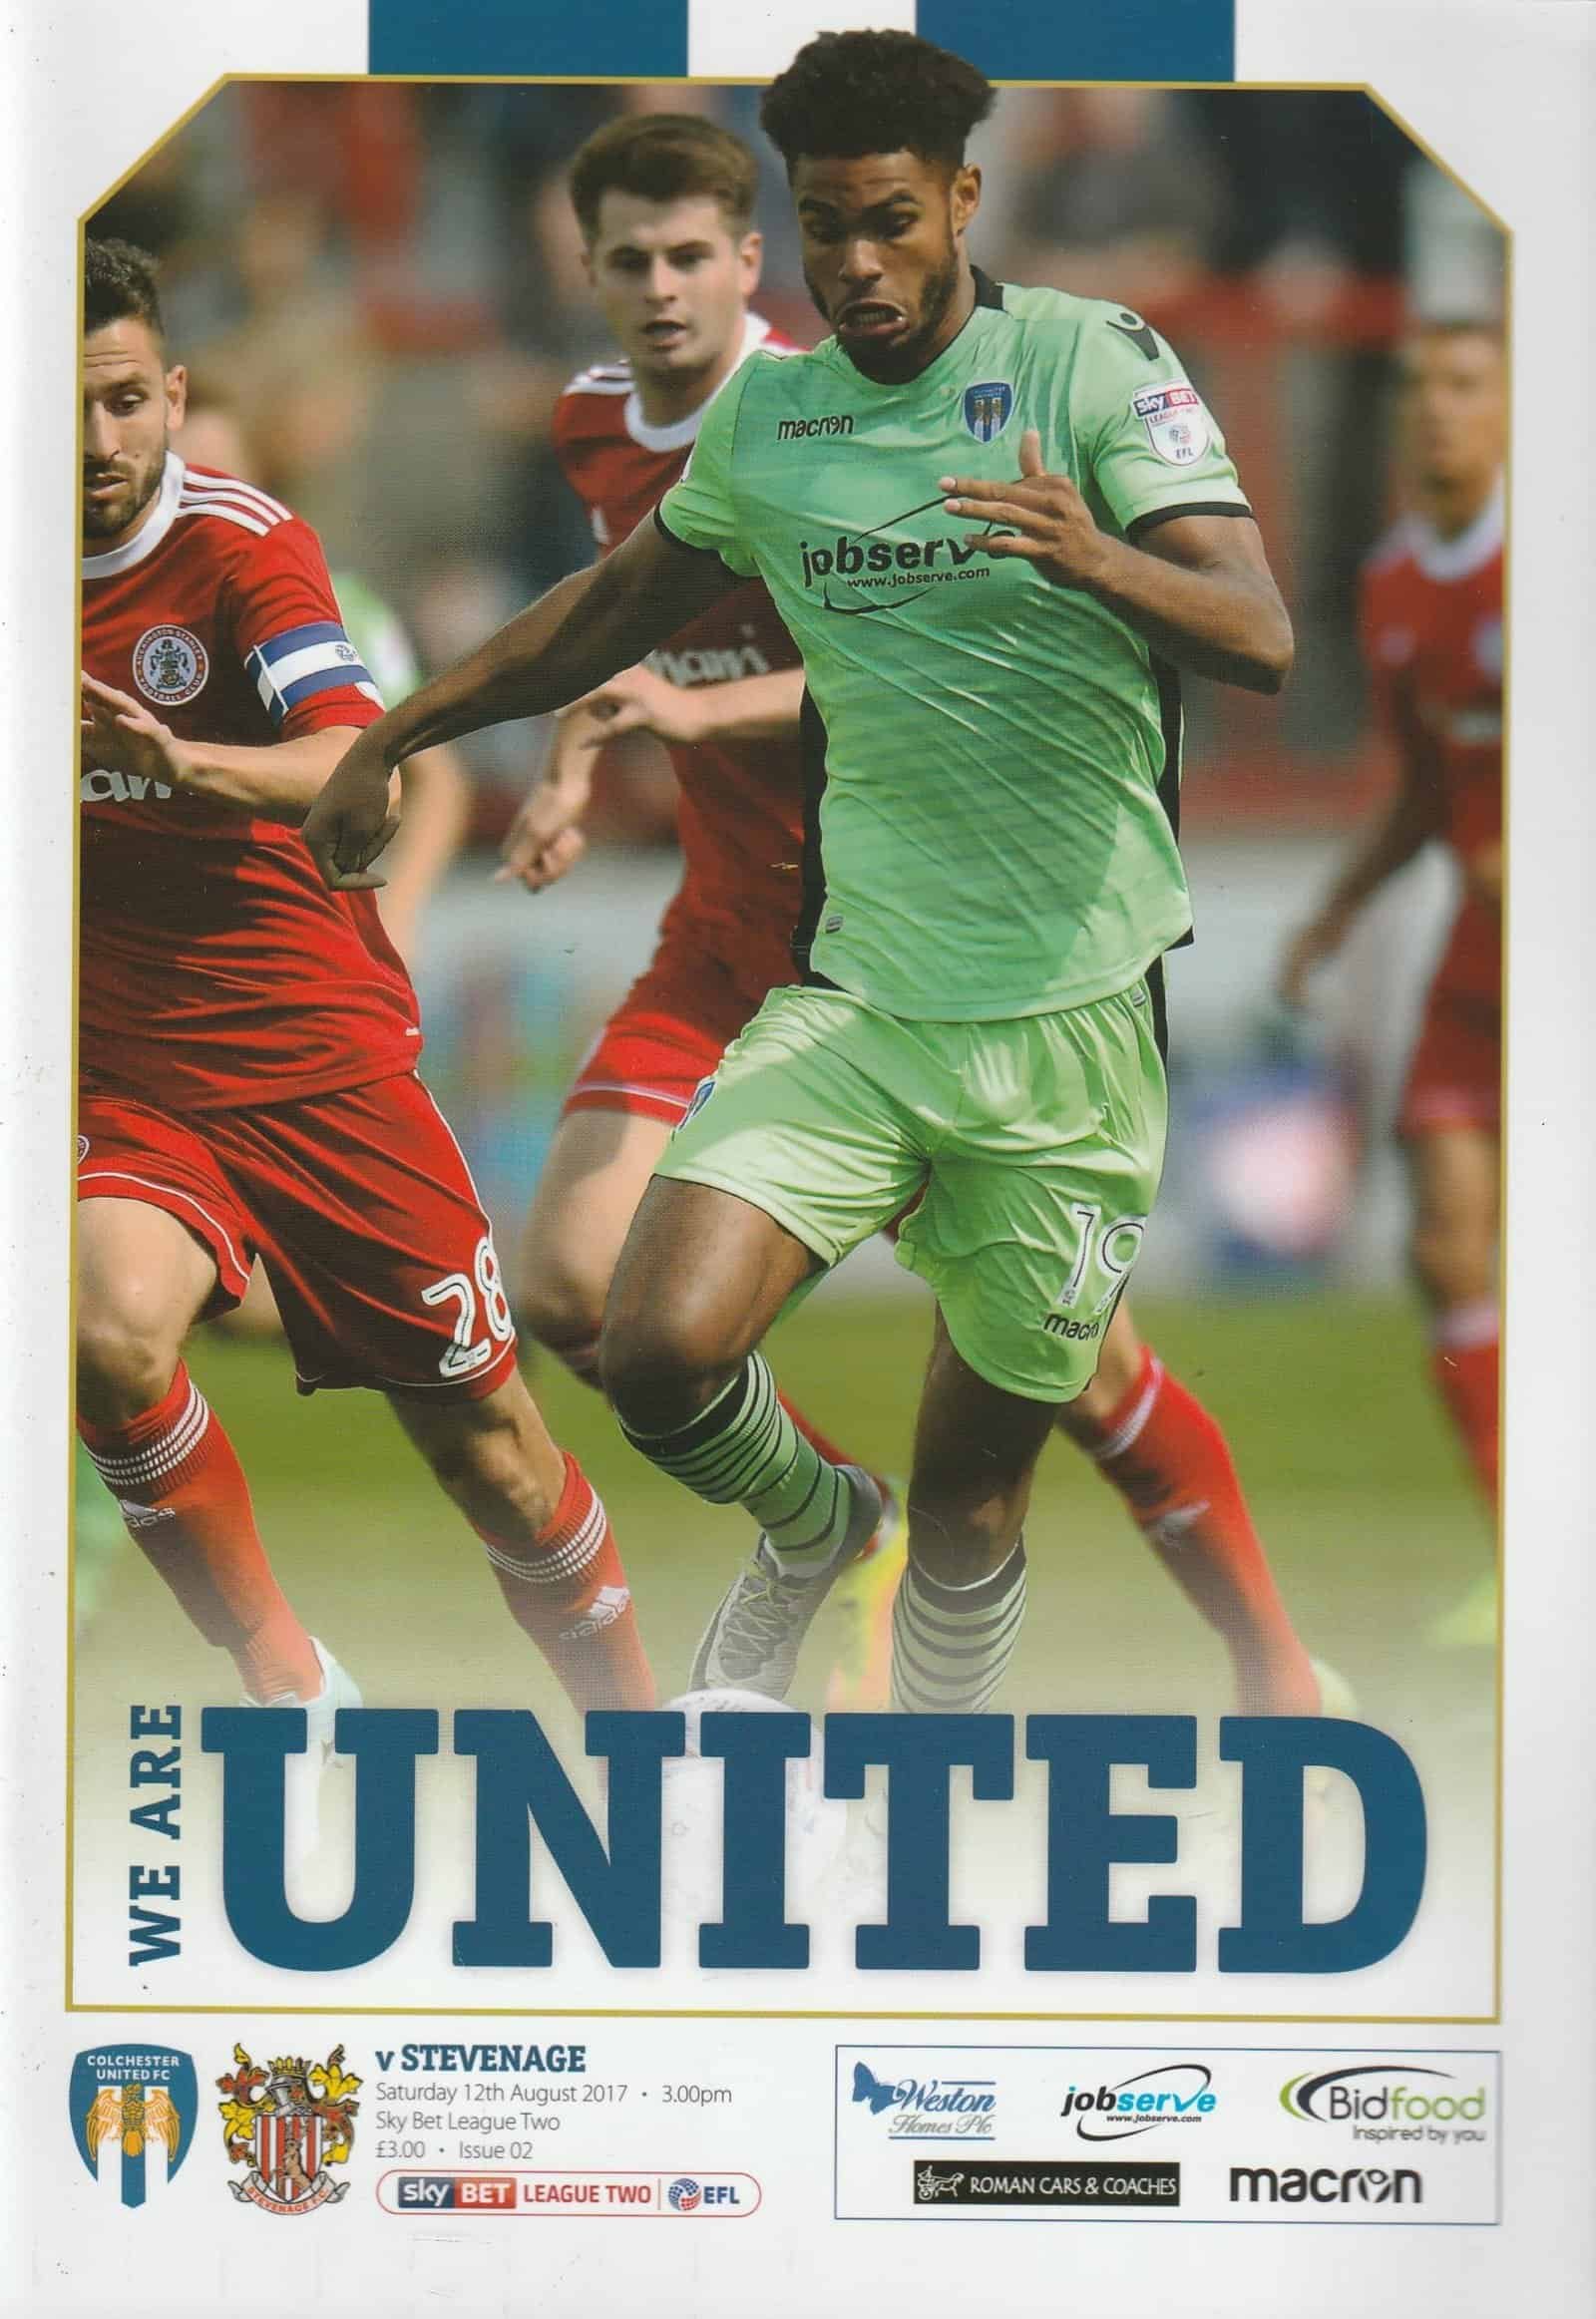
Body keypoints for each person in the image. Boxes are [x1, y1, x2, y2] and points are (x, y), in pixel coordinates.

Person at [304, 31, 1298, 1721]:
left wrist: (1097, 556)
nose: (856, 265)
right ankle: (824, 1516)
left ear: (964, 201)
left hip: (1067, 1030)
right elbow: (607, 610)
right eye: (827, 227)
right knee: (656, 1345)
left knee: (978, 1507)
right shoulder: (776, 415)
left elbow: (1260, 632)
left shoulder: (1088, 359)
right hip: (860, 998)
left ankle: (929, 1774)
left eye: (890, 222)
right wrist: (399, 729)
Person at [77, 237, 655, 1743]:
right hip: (129, 1071)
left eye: (125, 401)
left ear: (173, 394)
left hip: (318, 1064)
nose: (98, 440)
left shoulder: (246, 545)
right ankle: (290, 1684)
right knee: (103, 1331)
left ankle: (639, 1745)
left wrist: (183, 762)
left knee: (494, 1452)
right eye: (64, 406)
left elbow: (360, 766)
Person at [1281, 319, 1502, 1620]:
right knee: (1444, 1247)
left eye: (1467, 385)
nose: (1436, 409)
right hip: (1479, 960)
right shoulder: (1394, 586)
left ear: (1515, 409)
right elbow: (1424, 787)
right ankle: (1527, 1558)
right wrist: (1336, 909)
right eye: (1418, 386)